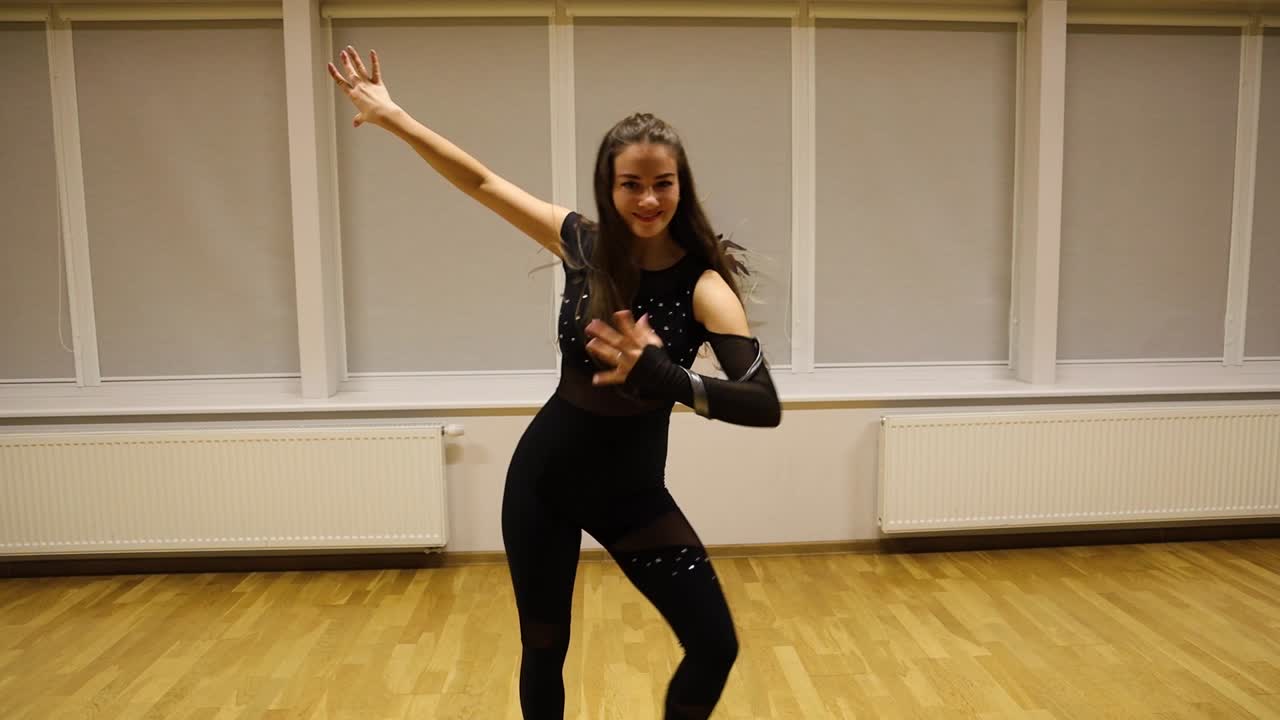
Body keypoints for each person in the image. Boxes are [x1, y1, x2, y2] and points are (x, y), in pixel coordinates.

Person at [328, 45, 782, 720]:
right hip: (543, 480)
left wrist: (667, 375)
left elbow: (763, 405)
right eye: (632, 183)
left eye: (663, 182)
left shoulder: (703, 286)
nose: (649, 198)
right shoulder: (583, 245)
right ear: (610, 185)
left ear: (682, 184)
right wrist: (393, 116)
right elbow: (481, 182)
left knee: (714, 646)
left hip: (633, 494)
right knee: (544, 647)